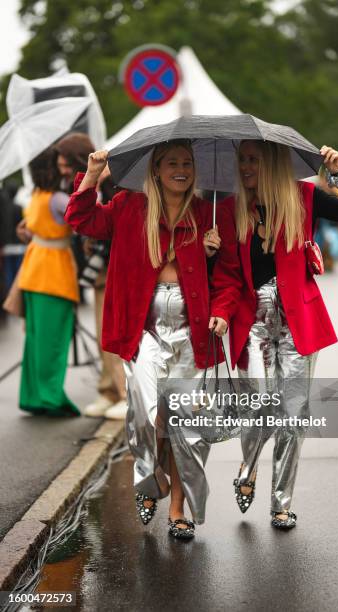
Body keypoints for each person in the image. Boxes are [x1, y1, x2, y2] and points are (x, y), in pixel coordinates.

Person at [64, 140, 241, 539]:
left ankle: (177, 507)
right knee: (146, 414)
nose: (182, 169)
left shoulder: (208, 215)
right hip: (142, 329)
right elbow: (81, 219)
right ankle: (151, 478)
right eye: (173, 163)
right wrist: (92, 175)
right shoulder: (130, 207)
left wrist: (221, 310)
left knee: (186, 427)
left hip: (193, 330)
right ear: (156, 169)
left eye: (187, 163)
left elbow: (229, 279)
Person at [225, 141, 338, 529]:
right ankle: (248, 465)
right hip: (252, 321)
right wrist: (208, 253)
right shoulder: (230, 207)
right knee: (258, 407)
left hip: (296, 320)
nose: (246, 167)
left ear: (271, 164)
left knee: (292, 415)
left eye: (253, 160)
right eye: (242, 160)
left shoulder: (303, 196)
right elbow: (221, 272)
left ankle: (280, 504)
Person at [55, 132, 127, 419]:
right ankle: (108, 390)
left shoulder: (110, 180)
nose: (61, 170)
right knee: (102, 333)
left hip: (113, 264)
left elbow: (108, 220)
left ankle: (123, 392)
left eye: (64, 164)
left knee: (115, 331)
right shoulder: (86, 181)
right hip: (98, 271)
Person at [16, 148, 80, 416]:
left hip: (32, 270)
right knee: (53, 342)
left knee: (35, 340)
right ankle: (50, 397)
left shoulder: (36, 196)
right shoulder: (58, 199)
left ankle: (33, 395)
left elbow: (28, 228)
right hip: (54, 273)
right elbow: (85, 213)